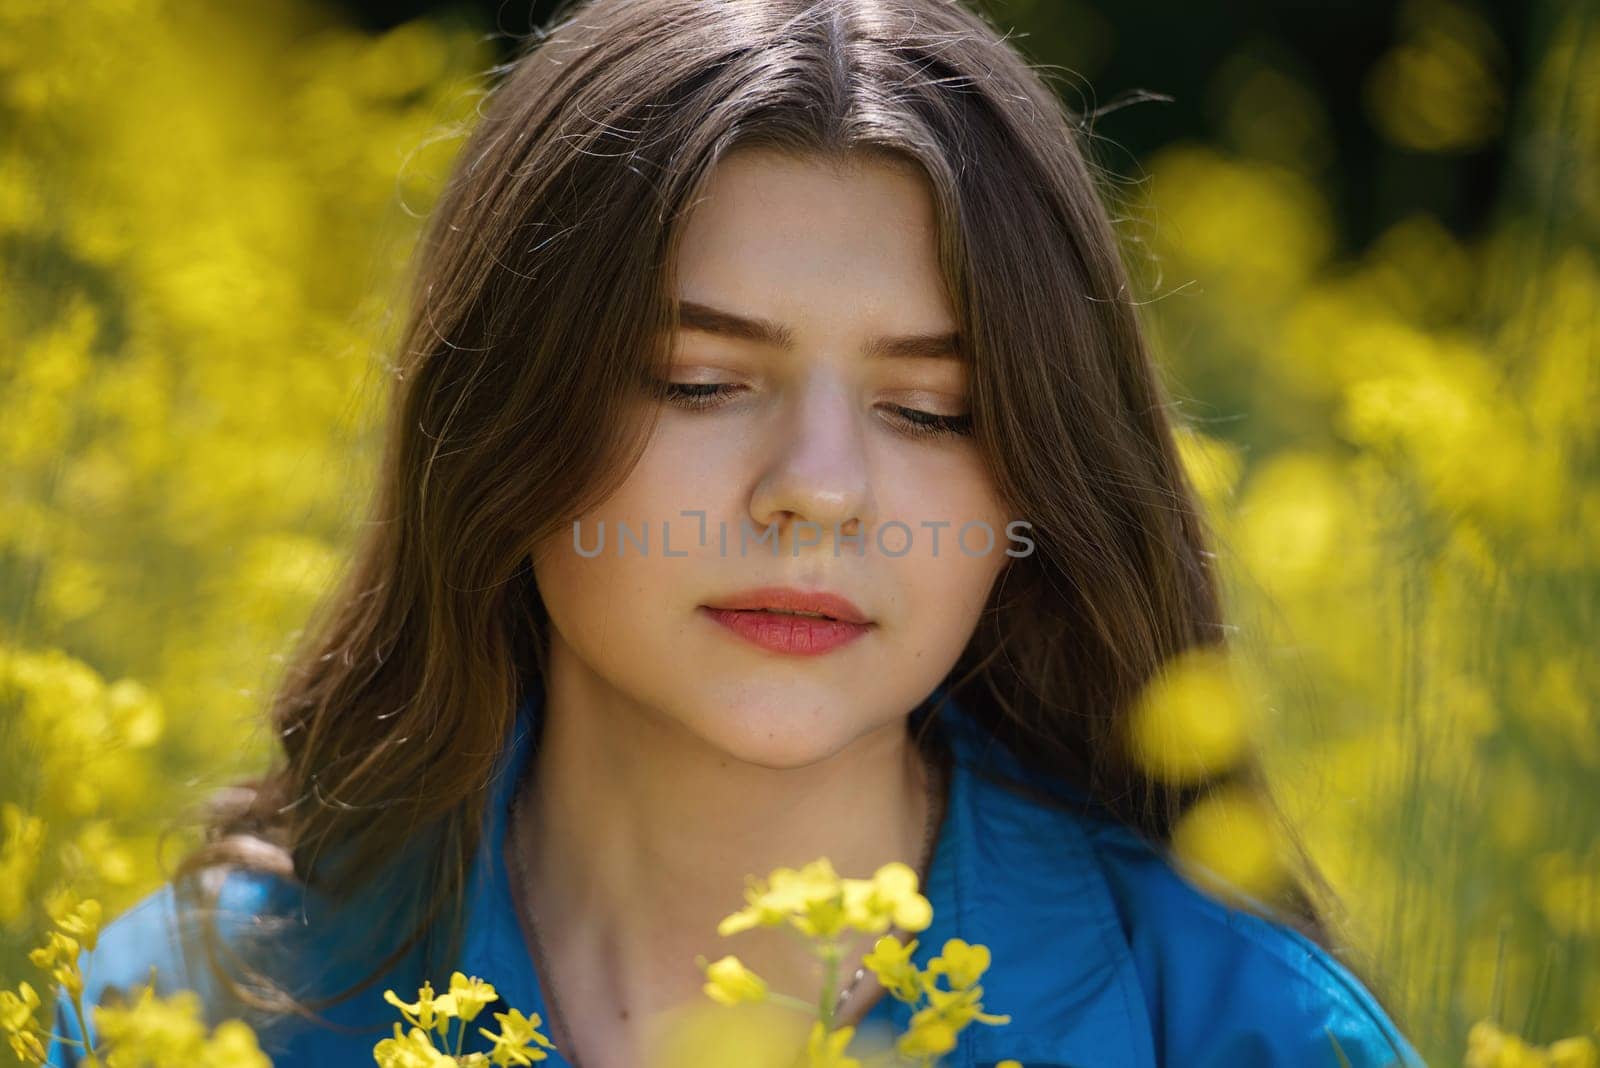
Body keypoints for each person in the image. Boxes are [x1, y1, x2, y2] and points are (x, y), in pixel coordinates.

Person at [49, 0, 1427, 1065]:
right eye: (699, 384)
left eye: (933, 410)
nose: (817, 490)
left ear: (1036, 489)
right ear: (501, 419)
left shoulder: (1241, 1032)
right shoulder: (184, 1013)